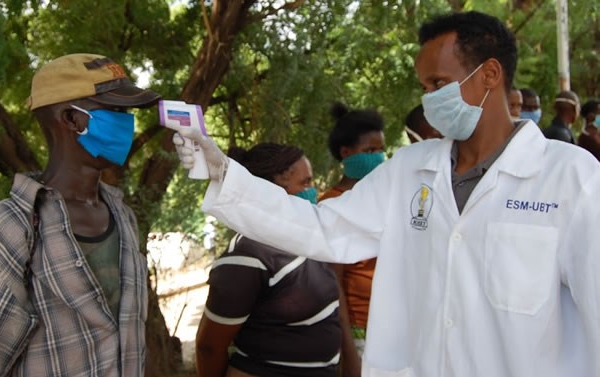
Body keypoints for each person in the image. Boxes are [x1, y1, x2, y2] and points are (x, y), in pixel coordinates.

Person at [174, 11, 600, 377]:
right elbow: (323, 228)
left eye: (438, 83)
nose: (429, 100)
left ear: (489, 74)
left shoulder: (570, 179)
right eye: (425, 86)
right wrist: (226, 174)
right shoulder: (409, 170)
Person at [0, 53, 158, 376]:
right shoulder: (7, 230)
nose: (127, 123)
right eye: (116, 111)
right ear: (72, 119)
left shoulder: (123, 216)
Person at [195, 142, 341, 377]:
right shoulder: (248, 255)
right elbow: (209, 347)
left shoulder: (309, 241)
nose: (313, 191)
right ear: (272, 191)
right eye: (305, 183)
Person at [318, 102, 385, 377]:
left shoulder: (384, 195)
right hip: (360, 330)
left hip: (391, 324)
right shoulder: (332, 206)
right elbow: (334, 286)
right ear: (346, 153)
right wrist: (350, 355)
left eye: (381, 150)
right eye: (370, 151)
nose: (379, 158)